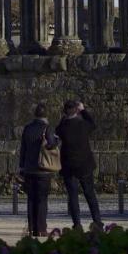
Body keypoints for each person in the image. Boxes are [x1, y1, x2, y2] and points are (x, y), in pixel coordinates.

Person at [55, 100, 102, 231]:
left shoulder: (63, 127)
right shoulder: (83, 124)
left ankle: (77, 224)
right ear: (76, 110)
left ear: (65, 112)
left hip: (69, 166)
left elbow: (57, 130)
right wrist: (83, 110)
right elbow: (93, 124)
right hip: (85, 164)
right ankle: (97, 222)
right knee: (90, 194)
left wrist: (65, 118)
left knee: (73, 196)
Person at [18, 103, 58, 236]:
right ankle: (41, 228)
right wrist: (56, 142)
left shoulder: (27, 128)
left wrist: (21, 167)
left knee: (31, 199)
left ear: (35, 114)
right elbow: (51, 144)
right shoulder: (47, 128)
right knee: (42, 199)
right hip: (43, 169)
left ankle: (31, 228)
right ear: (46, 115)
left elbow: (23, 149)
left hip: (29, 168)